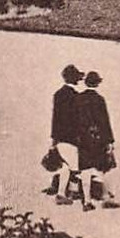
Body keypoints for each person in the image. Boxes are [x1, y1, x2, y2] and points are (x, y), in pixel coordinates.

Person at [75, 71, 118, 211]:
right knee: (101, 168)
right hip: (98, 139)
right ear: (98, 83)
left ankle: (87, 201)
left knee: (85, 170)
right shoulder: (100, 100)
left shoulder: (78, 99)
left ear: (86, 82)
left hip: (82, 139)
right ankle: (105, 197)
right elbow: (104, 122)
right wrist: (110, 141)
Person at [46, 64, 84, 200]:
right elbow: (80, 120)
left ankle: (60, 189)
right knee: (74, 166)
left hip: (60, 136)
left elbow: (55, 117)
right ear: (76, 80)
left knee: (64, 164)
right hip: (73, 137)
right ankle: (70, 192)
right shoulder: (78, 97)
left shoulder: (58, 95)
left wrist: (54, 139)